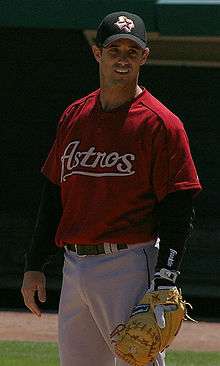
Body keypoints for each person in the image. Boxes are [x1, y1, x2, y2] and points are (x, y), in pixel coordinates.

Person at [21, 11, 202, 366]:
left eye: (132, 51)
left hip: (129, 264)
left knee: (139, 361)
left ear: (144, 57)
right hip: (74, 265)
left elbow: (180, 204)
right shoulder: (75, 115)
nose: (123, 57)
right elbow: (54, 194)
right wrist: (34, 263)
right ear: (97, 53)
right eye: (114, 49)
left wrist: (166, 276)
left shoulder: (161, 124)